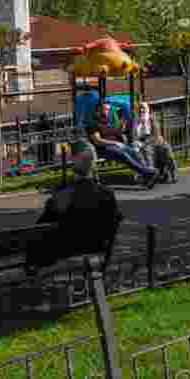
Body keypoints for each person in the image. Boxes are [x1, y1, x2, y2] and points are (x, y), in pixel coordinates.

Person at [33, 142, 123, 270]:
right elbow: (115, 222)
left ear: (72, 164)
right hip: (98, 252)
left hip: (66, 254)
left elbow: (40, 229)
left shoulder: (61, 197)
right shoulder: (107, 194)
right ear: (93, 165)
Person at [87, 104, 158, 188]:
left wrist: (121, 128)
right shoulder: (93, 124)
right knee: (123, 155)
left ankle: (146, 177)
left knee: (133, 152)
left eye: (108, 110)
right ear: (98, 111)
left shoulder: (108, 122)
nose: (107, 112)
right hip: (104, 149)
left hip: (117, 145)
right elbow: (98, 141)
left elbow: (116, 133)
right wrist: (115, 143)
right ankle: (148, 172)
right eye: (105, 109)